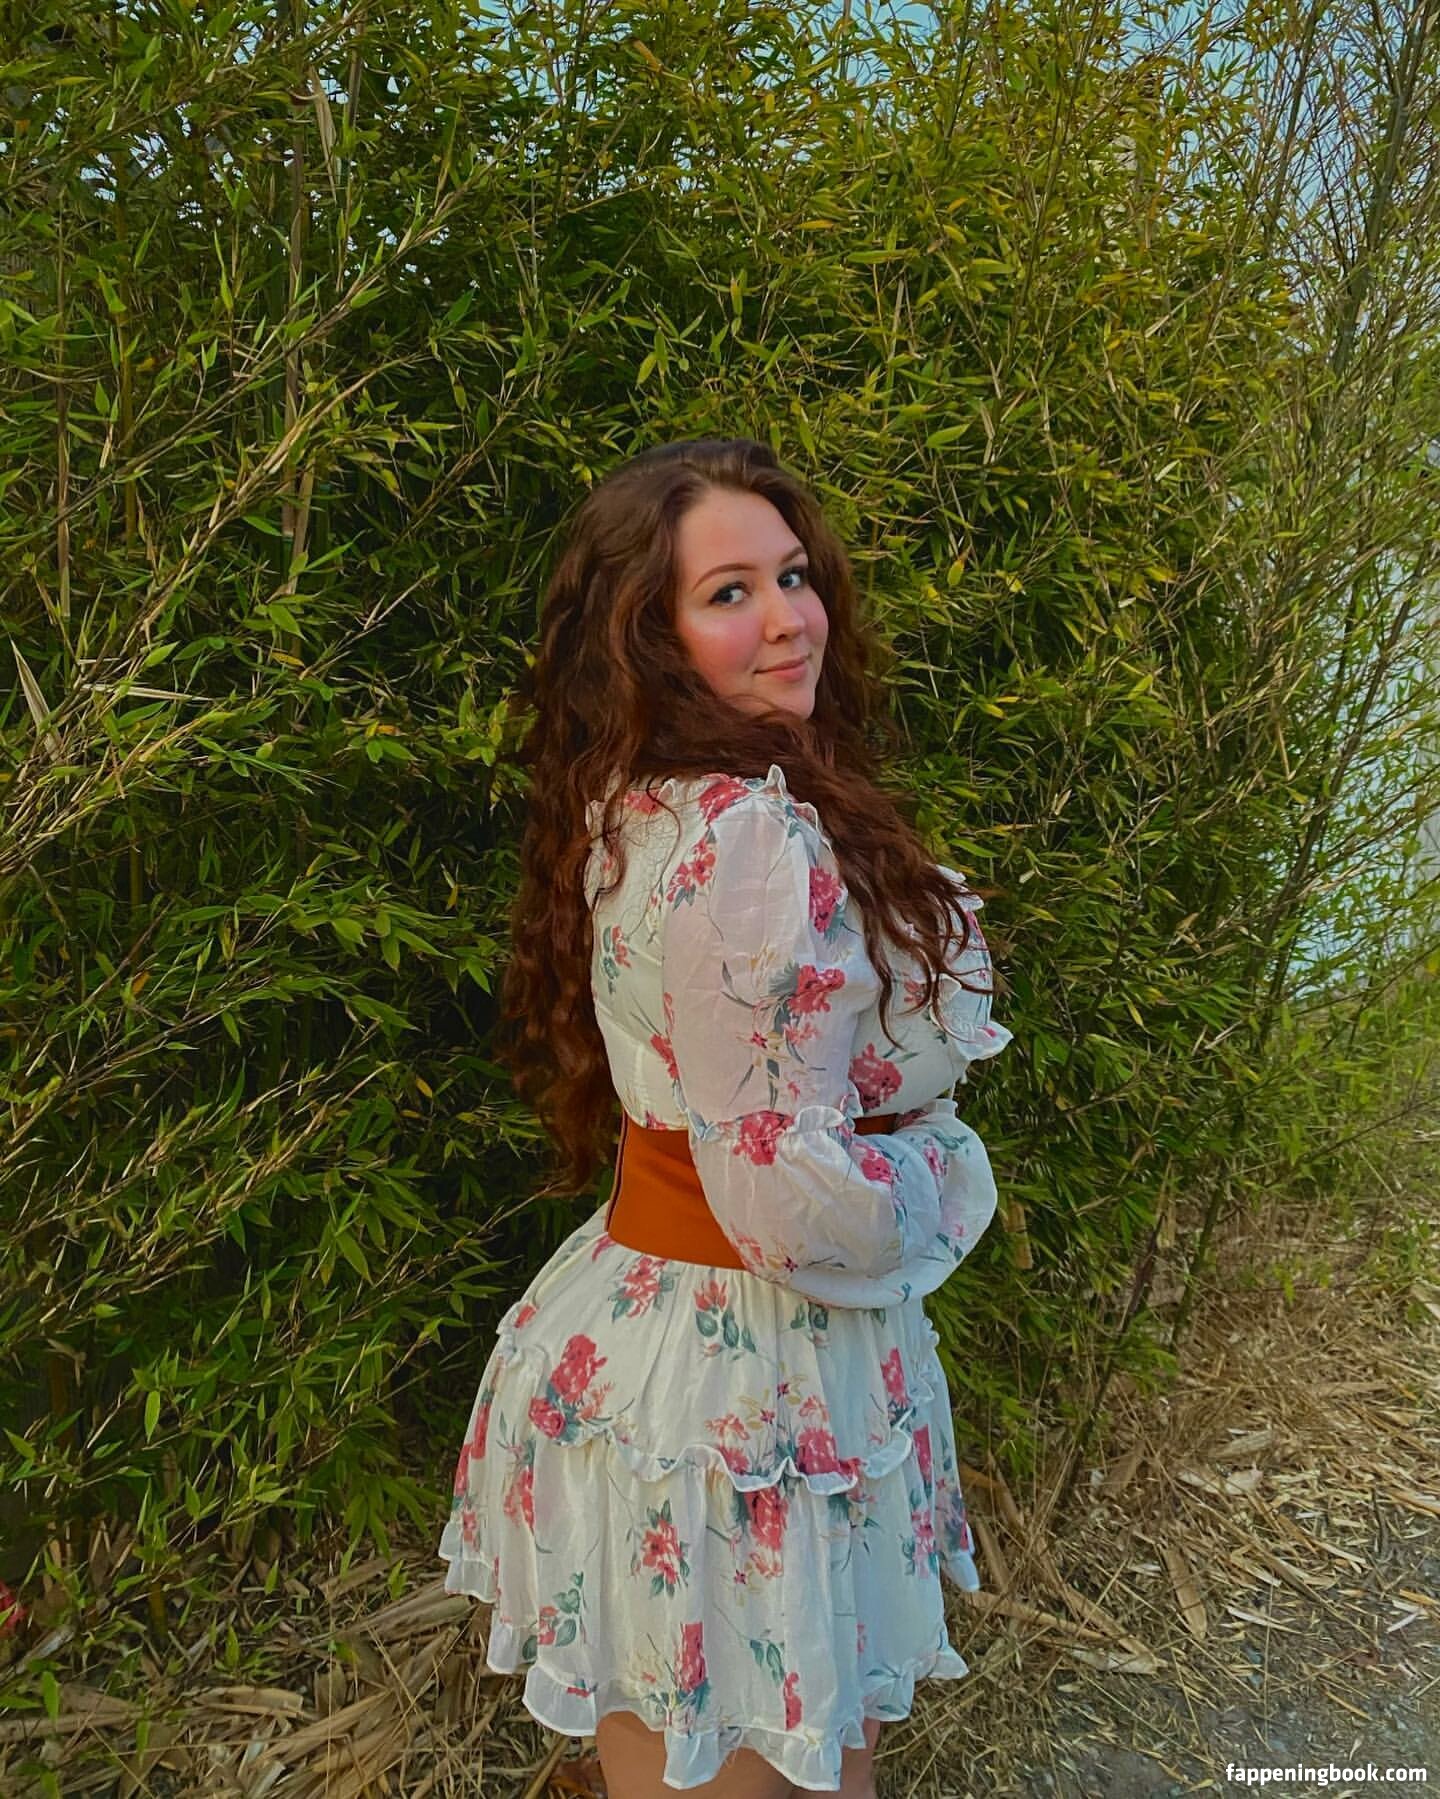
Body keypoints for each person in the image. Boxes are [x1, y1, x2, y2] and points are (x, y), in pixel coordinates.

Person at [438, 438, 1014, 1795]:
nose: (788, 619)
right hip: (744, 1385)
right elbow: (780, 1190)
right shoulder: (745, 836)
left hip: (669, 1338)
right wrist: (940, 1174)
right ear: (651, 635)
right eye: (729, 593)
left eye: (794, 577)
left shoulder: (645, 798)